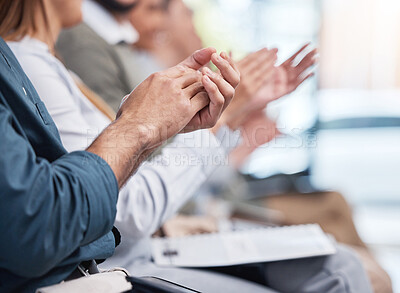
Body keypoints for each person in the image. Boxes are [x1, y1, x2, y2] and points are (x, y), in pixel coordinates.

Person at [9, 0, 375, 292]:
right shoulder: (38, 59)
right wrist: (154, 124)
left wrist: (213, 119)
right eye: (181, 12)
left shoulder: (50, 62)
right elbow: (125, 208)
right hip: (133, 252)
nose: (182, 23)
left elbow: (113, 180)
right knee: (342, 269)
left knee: (341, 257)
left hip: (147, 237)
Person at [0, 0, 240, 292]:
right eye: (153, 9)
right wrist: (140, 125)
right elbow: (119, 212)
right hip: (115, 267)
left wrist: (156, 127)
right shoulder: (29, 58)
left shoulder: (41, 61)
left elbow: (102, 190)